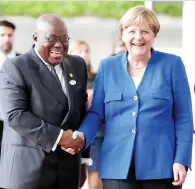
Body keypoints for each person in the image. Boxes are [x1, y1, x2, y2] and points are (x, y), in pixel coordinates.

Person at [69, 6, 194, 189]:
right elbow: (97, 113)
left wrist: (181, 160)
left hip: (161, 166)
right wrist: (80, 136)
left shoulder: (172, 65)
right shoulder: (107, 66)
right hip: (116, 164)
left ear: (154, 35)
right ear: (123, 33)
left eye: (145, 31)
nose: (138, 37)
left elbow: (184, 117)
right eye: (132, 31)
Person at [0, 14, 91, 189]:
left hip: (68, 169)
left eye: (64, 39)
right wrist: (60, 137)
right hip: (28, 171)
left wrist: (84, 161)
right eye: (51, 38)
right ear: (36, 38)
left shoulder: (77, 65)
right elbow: (15, 115)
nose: (58, 45)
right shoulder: (15, 67)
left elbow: (82, 113)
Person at [69, 40, 103, 189]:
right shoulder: (66, 77)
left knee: (96, 181)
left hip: (98, 136)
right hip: (74, 134)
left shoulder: (97, 77)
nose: (84, 54)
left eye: (86, 51)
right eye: (79, 51)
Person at [0, 20, 21, 157]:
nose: (6, 39)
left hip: (15, 123)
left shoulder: (22, 61)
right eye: (2, 35)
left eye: (9, 35)